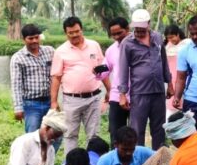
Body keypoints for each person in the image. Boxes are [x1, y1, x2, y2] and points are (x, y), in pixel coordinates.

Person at [51, 16, 110, 155]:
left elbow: (102, 69)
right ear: (66, 33)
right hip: (71, 100)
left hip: (94, 97)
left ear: (81, 30)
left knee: (93, 135)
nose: (74, 35)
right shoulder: (60, 51)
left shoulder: (94, 45)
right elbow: (56, 77)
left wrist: (109, 89)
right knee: (70, 134)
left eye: (77, 31)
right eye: (70, 32)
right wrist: (53, 101)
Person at [118, 9, 174, 150]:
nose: (139, 31)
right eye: (136, 28)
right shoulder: (127, 43)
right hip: (140, 92)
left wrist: (170, 83)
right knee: (137, 130)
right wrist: (122, 94)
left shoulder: (157, 38)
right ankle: (139, 163)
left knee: (159, 129)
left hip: (158, 91)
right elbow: (123, 69)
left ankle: (159, 162)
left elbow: (164, 61)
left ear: (149, 24)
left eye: (142, 28)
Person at [10, 24, 55, 133]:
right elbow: (16, 85)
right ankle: (34, 151)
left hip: (49, 102)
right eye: (31, 38)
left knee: (54, 133)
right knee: (32, 136)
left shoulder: (49, 51)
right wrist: (18, 108)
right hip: (31, 105)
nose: (35, 41)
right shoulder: (17, 58)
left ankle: (48, 151)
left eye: (37, 37)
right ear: (24, 39)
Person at [96, 17, 130, 145]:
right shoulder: (111, 50)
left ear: (127, 29)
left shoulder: (139, 46)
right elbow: (107, 67)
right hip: (116, 97)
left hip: (136, 95)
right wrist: (97, 70)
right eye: (113, 34)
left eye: (119, 33)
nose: (116, 37)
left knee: (135, 132)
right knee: (116, 134)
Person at [164, 24, 190, 115]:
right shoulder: (167, 47)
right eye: (168, 38)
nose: (171, 40)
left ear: (178, 34)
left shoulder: (187, 44)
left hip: (183, 78)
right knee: (170, 109)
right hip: (171, 80)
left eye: (172, 37)